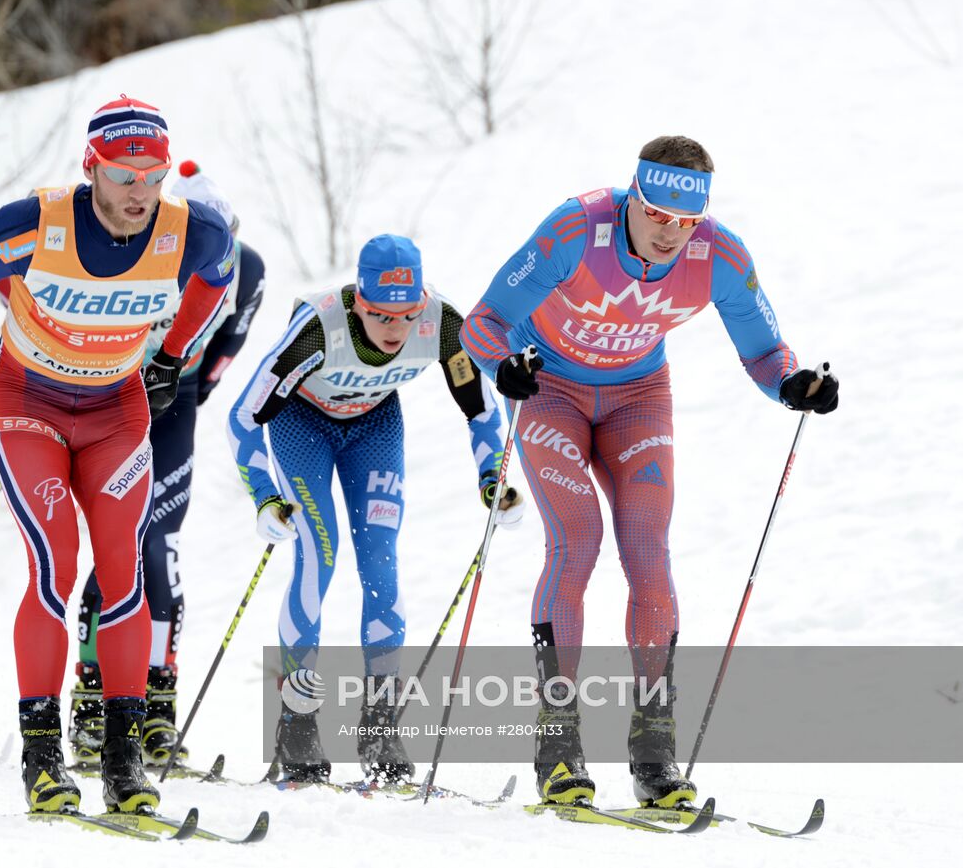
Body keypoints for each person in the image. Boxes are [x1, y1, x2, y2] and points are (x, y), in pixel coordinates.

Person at [460, 136, 839, 808]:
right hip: (552, 391)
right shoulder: (575, 229)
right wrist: (505, 368)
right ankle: (558, 745)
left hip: (638, 397)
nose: (672, 232)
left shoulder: (719, 254)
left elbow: (765, 352)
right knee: (577, 540)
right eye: (659, 213)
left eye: (686, 220)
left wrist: (795, 384)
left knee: (649, 550)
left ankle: (654, 752)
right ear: (633, 198)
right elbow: (483, 323)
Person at [0, 95, 235, 814]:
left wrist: (172, 355)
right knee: (54, 565)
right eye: (125, 174)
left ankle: (123, 759)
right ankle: (42, 757)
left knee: (122, 569)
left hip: (115, 410)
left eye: (154, 174)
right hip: (28, 406)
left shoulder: (187, 230)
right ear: (92, 167)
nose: (142, 190)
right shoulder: (35, 223)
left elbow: (220, 275)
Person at [227, 234, 523, 784]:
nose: (395, 329)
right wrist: (266, 496)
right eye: (381, 315)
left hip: (374, 428)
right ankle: (296, 723)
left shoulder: (442, 323)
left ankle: (380, 725)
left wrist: (492, 480)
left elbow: (481, 409)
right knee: (320, 557)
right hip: (303, 426)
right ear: (357, 302)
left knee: (381, 567)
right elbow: (243, 417)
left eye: (407, 315)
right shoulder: (317, 328)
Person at [71, 160, 266, 768]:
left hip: (174, 400)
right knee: (118, 542)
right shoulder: (148, 249)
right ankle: (91, 701)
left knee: (161, 546)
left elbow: (230, 341)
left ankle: (157, 704)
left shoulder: (248, 267)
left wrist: (193, 388)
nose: (217, 257)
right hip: (117, 396)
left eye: (226, 241)